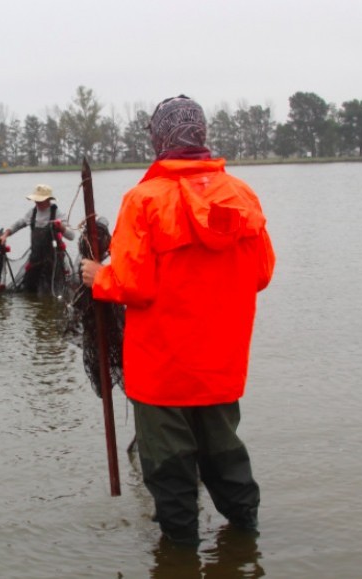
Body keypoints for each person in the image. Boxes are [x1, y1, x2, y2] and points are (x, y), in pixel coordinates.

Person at [81, 95, 275, 545]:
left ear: (159, 139)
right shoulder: (242, 195)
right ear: (201, 135)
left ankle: (181, 554)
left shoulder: (145, 200)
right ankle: (246, 534)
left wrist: (99, 276)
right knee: (226, 455)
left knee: (169, 469)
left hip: (162, 370)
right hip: (221, 368)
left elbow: (133, 284)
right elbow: (261, 274)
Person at [0, 184, 76, 294]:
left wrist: (61, 227)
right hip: (35, 260)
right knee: (30, 291)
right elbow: (18, 224)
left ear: (48, 199)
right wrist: (5, 235)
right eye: (36, 200)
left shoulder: (57, 213)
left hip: (54, 262)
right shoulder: (32, 213)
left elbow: (71, 236)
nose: (37, 203)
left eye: (40, 200)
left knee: (51, 293)